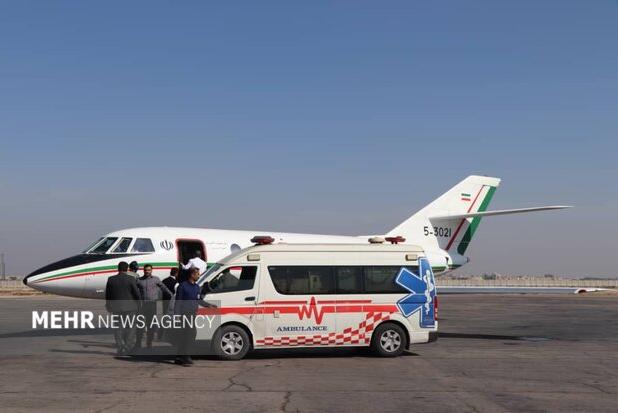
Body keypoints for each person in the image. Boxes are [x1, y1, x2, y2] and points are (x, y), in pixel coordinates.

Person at [105, 261, 142, 355]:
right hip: (130, 308)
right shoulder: (131, 279)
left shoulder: (111, 279)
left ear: (118, 268)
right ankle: (127, 347)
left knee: (118, 328)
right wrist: (139, 304)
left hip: (116, 308)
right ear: (127, 269)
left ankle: (120, 347)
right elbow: (136, 293)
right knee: (131, 327)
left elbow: (108, 295)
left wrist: (108, 305)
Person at [136, 264, 172, 349]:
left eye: (148, 270)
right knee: (140, 324)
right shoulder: (139, 280)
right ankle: (138, 343)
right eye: (145, 270)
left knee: (150, 325)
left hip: (152, 305)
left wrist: (171, 295)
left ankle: (149, 342)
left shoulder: (156, 279)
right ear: (143, 271)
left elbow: (164, 288)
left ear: (151, 270)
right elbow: (133, 290)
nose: (147, 271)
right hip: (142, 305)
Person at [174, 267, 201, 366]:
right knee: (188, 335)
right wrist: (176, 315)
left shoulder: (197, 287)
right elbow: (178, 301)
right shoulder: (183, 286)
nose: (199, 275)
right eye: (197, 274)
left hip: (192, 315)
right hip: (184, 314)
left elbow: (199, 299)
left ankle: (179, 357)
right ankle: (186, 357)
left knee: (187, 335)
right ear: (192, 275)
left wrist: (209, 305)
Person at [158, 268, 179, 340]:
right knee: (171, 319)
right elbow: (176, 293)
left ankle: (160, 335)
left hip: (164, 301)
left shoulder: (164, 280)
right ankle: (168, 335)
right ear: (176, 274)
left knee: (163, 318)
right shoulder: (176, 283)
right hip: (171, 302)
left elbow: (160, 291)